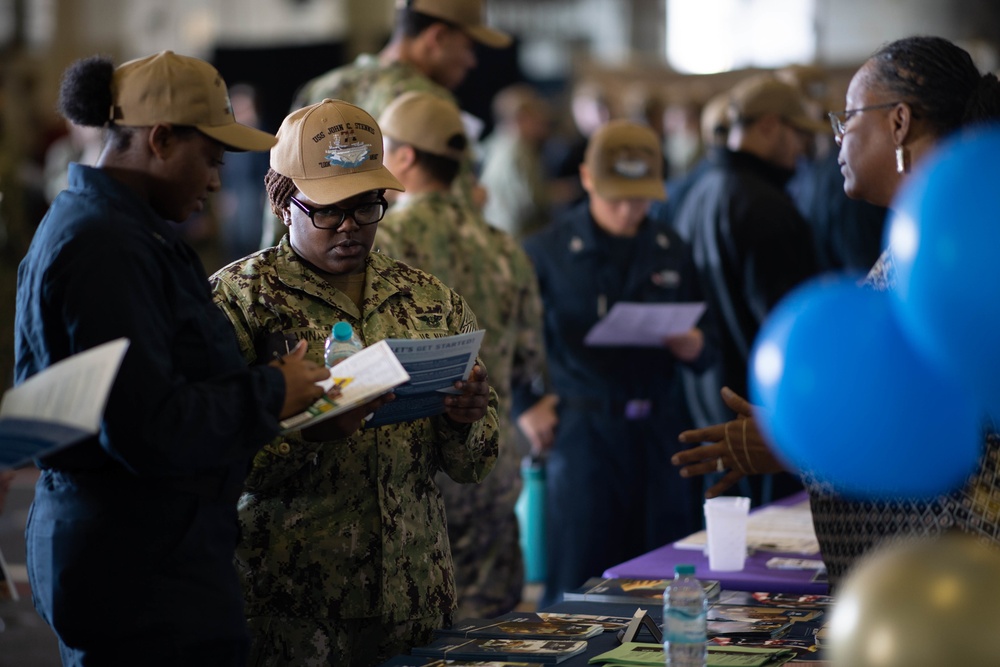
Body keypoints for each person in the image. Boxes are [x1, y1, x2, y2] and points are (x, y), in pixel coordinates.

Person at [13, 51, 331, 666]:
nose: (215, 181)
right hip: (135, 572)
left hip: (151, 554)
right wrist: (271, 390)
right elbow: (146, 425)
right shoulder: (103, 247)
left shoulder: (125, 231)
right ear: (158, 139)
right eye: (210, 159)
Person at [672, 35, 1000, 588]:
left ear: (899, 122)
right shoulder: (925, 237)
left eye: (849, 116)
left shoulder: (967, 244)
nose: (839, 138)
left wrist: (798, 444)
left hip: (956, 583)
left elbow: (960, 434)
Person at [209, 98, 500, 667]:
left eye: (367, 206)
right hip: (291, 611)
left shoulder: (427, 300)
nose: (349, 226)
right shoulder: (236, 303)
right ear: (281, 200)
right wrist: (311, 433)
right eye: (329, 209)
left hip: (413, 601)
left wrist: (465, 421)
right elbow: (211, 456)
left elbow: (474, 464)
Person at [375, 91, 554, 619]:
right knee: (492, 633)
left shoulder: (382, 241)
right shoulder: (505, 247)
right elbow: (530, 363)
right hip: (491, 467)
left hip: (413, 478)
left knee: (420, 634)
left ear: (404, 157)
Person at [522, 119, 713, 609]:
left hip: (660, 434)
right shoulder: (545, 251)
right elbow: (511, 340)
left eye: (641, 199)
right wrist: (527, 405)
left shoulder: (672, 247)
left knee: (664, 581)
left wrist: (696, 347)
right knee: (578, 585)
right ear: (586, 178)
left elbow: (709, 343)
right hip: (585, 431)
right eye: (617, 199)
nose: (630, 211)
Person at [672, 74, 823, 503]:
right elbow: (787, 324)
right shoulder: (764, 205)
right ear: (771, 126)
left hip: (710, 410)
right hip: (761, 424)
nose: (803, 150)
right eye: (799, 135)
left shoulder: (698, 192)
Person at [255, 0, 511, 248]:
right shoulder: (433, 105)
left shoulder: (322, 87)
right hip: (398, 277)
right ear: (439, 36)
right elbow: (455, 214)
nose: (471, 61)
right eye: (468, 47)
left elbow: (283, 191)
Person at [478, 83, 554, 240]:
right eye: (537, 116)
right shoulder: (520, 149)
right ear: (523, 118)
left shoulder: (494, 144)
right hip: (521, 237)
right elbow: (533, 200)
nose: (542, 123)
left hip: (497, 233)